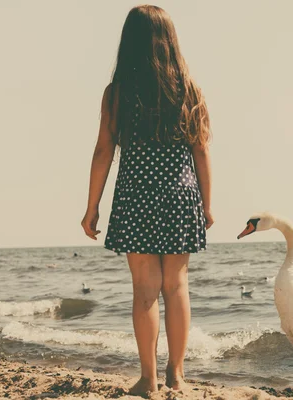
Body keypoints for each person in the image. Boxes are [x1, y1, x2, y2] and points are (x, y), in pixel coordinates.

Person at [81, 5, 214, 396]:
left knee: (144, 290)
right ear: (170, 42)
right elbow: (202, 150)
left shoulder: (118, 93)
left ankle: (149, 379)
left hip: (136, 195)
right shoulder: (189, 88)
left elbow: (103, 151)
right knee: (176, 286)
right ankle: (176, 374)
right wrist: (206, 204)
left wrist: (92, 207)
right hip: (180, 195)